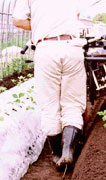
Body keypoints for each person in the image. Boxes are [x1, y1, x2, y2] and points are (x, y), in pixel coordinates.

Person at [12, 0, 87, 169]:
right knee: (73, 102)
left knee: (50, 104)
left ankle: (57, 153)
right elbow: (77, 14)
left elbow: (17, 20)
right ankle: (69, 150)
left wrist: (41, 24)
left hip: (47, 49)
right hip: (72, 47)